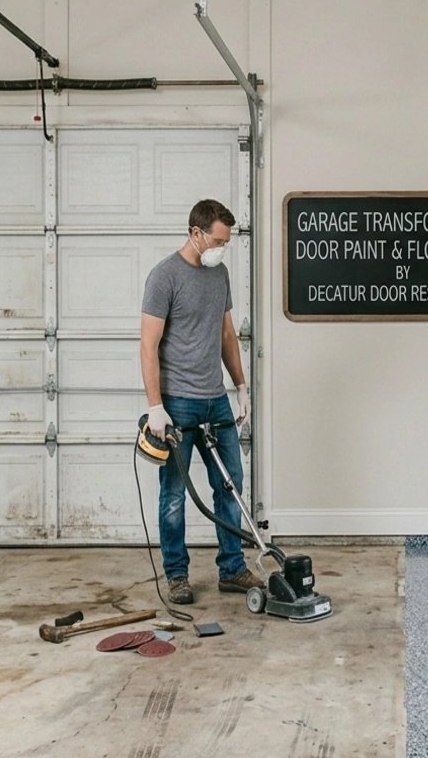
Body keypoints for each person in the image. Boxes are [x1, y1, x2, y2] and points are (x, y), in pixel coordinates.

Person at [140, 198, 263, 604]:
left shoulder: (220, 274)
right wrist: (156, 405)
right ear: (196, 233)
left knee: (231, 484)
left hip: (216, 399)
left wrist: (241, 386)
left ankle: (232, 568)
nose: (222, 248)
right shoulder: (164, 277)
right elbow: (148, 344)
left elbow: (227, 335)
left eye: (226, 242)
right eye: (217, 240)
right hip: (178, 403)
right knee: (174, 494)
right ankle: (177, 576)